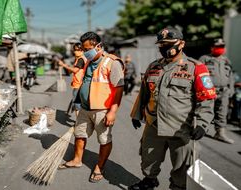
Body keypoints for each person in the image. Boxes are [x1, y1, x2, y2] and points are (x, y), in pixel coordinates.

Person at [129, 27, 216, 190]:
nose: (164, 48)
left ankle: (178, 187)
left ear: (181, 44)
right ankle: (149, 180)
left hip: (182, 128)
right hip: (153, 124)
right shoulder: (153, 66)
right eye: (161, 45)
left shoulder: (196, 67)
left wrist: (202, 124)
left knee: (183, 166)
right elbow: (144, 93)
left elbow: (207, 99)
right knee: (149, 158)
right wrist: (136, 114)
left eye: (168, 44)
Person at [58, 32, 124, 183]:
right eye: (83, 49)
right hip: (85, 108)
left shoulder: (112, 62)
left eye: (87, 49)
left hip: (102, 110)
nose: (85, 52)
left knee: (104, 140)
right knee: (80, 135)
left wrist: (112, 111)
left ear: (98, 46)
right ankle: (77, 159)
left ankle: (99, 167)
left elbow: (119, 89)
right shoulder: (87, 61)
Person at [199, 39, 235, 144]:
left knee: (222, 113)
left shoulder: (226, 61)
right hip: (209, 90)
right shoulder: (204, 59)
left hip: (224, 91)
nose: (220, 49)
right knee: (205, 110)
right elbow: (199, 75)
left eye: (222, 46)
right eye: (218, 46)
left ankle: (220, 133)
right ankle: (200, 129)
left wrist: (231, 89)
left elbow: (231, 76)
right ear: (212, 47)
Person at [57, 43, 87, 117]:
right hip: (82, 83)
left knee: (77, 102)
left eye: (78, 50)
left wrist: (63, 65)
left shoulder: (81, 59)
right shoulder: (81, 59)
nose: (75, 51)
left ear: (82, 50)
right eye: (75, 50)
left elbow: (75, 70)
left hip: (78, 84)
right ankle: (70, 113)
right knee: (76, 100)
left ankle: (78, 121)